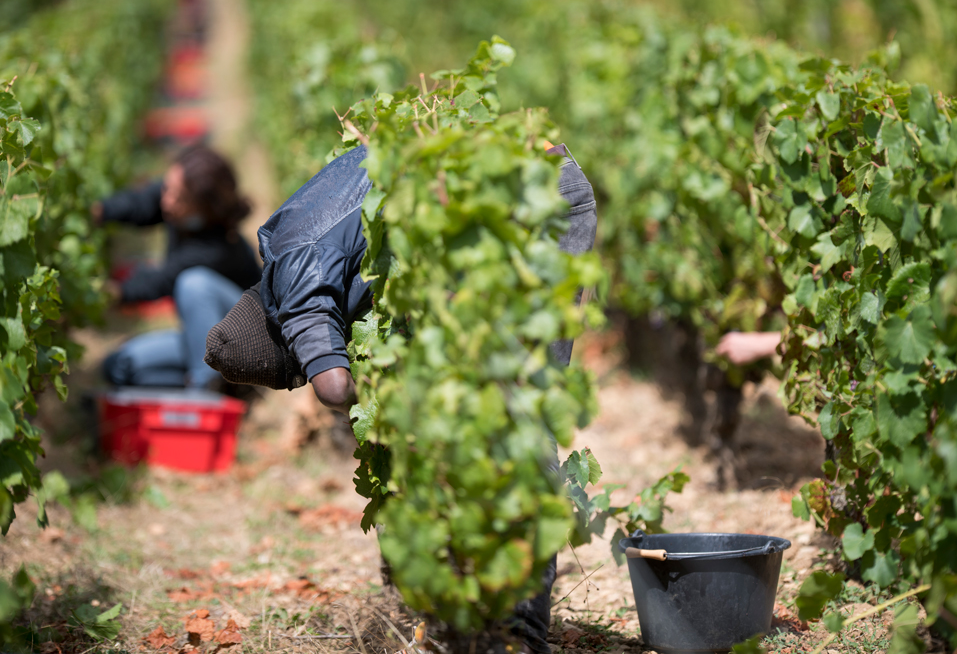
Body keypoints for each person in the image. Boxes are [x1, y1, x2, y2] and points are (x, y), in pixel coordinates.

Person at [204, 142, 597, 653]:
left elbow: (334, 387)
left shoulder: (297, 291)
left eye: (294, 372)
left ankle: (518, 635)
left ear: (288, 346)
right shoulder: (286, 236)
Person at [96, 145, 261, 390]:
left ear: (204, 208)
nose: (166, 201)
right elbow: (141, 204)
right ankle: (226, 386)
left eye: (179, 198)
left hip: (250, 345)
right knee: (120, 366)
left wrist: (108, 294)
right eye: (166, 189)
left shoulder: (218, 247)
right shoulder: (178, 206)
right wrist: (100, 212)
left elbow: (162, 279)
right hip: (207, 341)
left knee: (194, 284)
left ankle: (205, 389)